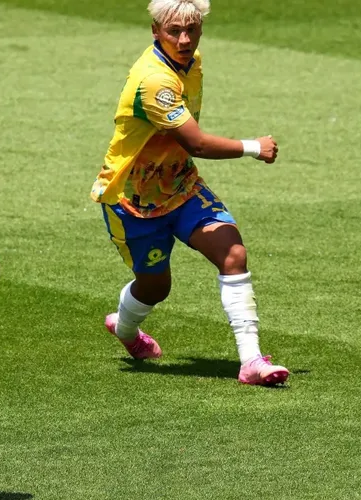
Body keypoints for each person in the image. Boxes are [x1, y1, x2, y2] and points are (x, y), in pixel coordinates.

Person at [91, 0, 289, 386]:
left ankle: (251, 362)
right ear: (155, 31)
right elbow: (196, 142)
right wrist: (254, 147)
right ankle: (126, 329)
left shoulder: (191, 61)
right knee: (155, 286)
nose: (184, 39)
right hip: (133, 201)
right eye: (174, 31)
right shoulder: (154, 81)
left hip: (181, 186)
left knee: (233, 252)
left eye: (191, 30)